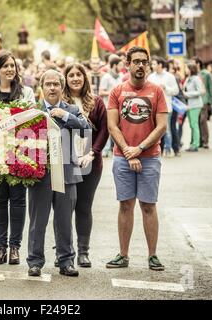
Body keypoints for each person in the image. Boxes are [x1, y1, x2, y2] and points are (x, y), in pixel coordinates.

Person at [106, 46, 167, 271]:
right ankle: (123, 255)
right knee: (125, 206)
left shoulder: (157, 91)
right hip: (122, 158)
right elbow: (112, 125)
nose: (140, 65)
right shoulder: (117, 91)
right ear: (128, 64)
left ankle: (152, 256)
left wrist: (139, 149)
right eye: (136, 61)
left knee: (149, 206)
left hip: (149, 157)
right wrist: (127, 150)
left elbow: (161, 126)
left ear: (148, 65)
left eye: (144, 61)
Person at [27, 69, 90, 278]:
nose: (52, 87)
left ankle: (66, 261)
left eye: (56, 84)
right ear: (42, 87)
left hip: (67, 173)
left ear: (62, 88)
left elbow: (85, 129)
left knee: (64, 220)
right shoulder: (33, 110)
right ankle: (35, 262)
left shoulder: (71, 108)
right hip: (40, 175)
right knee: (38, 221)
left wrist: (66, 115)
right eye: (48, 84)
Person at [0, 51, 36, 265]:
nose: (9, 69)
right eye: (5, 66)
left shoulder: (27, 93)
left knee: (18, 201)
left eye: (12, 66)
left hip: (20, 154)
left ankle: (15, 247)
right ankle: (0, 248)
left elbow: (32, 121)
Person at [62, 63, 109, 267]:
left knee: (83, 207)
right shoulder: (61, 103)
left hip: (91, 162)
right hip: (65, 163)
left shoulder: (96, 102)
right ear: (66, 79)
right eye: (71, 75)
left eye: (78, 75)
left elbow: (104, 130)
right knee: (64, 208)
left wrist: (93, 153)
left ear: (85, 78)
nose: (75, 78)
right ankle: (64, 252)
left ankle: (83, 252)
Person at [148, 56, 180, 157]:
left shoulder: (169, 76)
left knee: (166, 129)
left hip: (166, 107)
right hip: (153, 108)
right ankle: (157, 150)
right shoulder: (150, 77)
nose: (152, 66)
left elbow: (176, 91)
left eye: (154, 64)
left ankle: (168, 149)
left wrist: (166, 88)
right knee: (155, 130)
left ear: (160, 65)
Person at [192, 57, 212, 149]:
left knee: (202, 120)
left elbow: (211, 87)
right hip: (195, 101)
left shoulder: (206, 74)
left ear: (198, 64)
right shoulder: (193, 74)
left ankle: (205, 141)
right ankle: (199, 141)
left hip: (204, 100)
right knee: (196, 121)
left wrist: (210, 102)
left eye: (193, 63)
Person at [183, 62, 205, 152]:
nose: (185, 70)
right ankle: (193, 143)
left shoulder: (196, 79)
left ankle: (195, 145)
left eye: (186, 68)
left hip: (195, 105)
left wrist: (187, 94)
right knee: (192, 125)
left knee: (194, 125)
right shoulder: (188, 78)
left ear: (191, 69)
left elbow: (201, 91)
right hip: (189, 105)